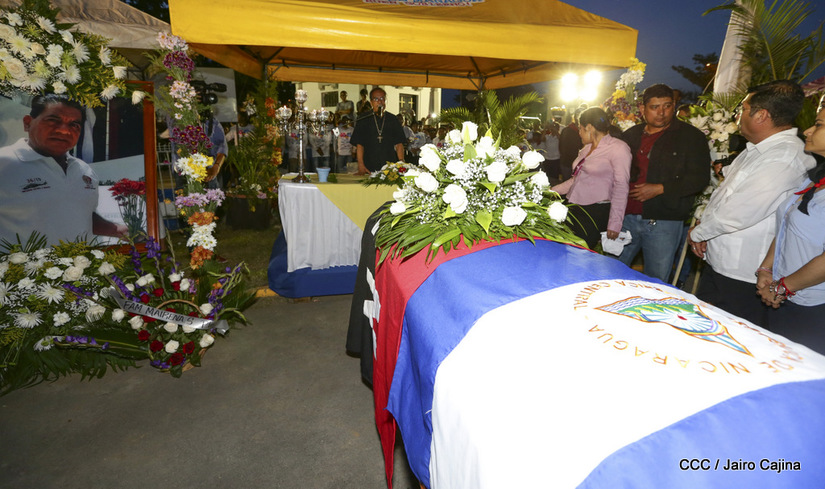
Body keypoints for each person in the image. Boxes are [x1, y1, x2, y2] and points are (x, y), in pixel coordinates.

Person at [689, 80, 815, 326]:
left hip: (743, 273)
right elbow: (726, 195)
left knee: (727, 335)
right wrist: (704, 230)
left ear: (761, 115)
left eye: (743, 109)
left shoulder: (783, 158)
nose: (738, 115)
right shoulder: (758, 150)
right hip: (722, 262)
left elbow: (740, 211)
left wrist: (699, 233)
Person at [0, 94, 126, 245]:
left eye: (74, 124)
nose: (64, 131)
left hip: (81, 260)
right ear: (28, 123)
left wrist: (116, 229)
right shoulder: (4, 162)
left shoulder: (83, 170)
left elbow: (78, 214)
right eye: (53, 120)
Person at [617, 83, 710, 282]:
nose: (661, 113)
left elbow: (700, 178)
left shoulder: (691, 137)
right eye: (655, 107)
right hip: (626, 218)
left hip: (664, 221)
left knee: (656, 280)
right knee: (611, 272)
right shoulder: (630, 135)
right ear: (642, 109)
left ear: (674, 106)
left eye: (667, 106)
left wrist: (661, 188)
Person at [753, 106, 825, 353]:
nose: (807, 131)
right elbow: (786, 225)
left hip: (813, 305)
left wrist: (783, 287)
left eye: (819, 125)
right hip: (785, 295)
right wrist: (767, 269)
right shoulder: (814, 179)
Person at [551, 107, 631, 249]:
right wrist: (551, 191)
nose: (579, 133)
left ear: (589, 127)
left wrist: (615, 223)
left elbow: (621, 186)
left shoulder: (618, 148)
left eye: (580, 129)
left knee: (580, 253)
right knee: (566, 250)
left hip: (595, 211)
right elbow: (575, 180)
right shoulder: (587, 149)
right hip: (574, 207)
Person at [350, 87, 405, 174]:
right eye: (376, 99)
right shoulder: (363, 118)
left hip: (389, 166)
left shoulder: (393, 119)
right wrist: (360, 164)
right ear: (371, 102)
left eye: (382, 98)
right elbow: (360, 144)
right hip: (369, 165)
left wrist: (401, 162)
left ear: (386, 101)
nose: (380, 102)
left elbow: (399, 144)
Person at [558, 109, 583, 181]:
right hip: (567, 163)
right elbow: (561, 146)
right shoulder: (567, 130)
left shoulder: (585, 131)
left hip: (579, 164)